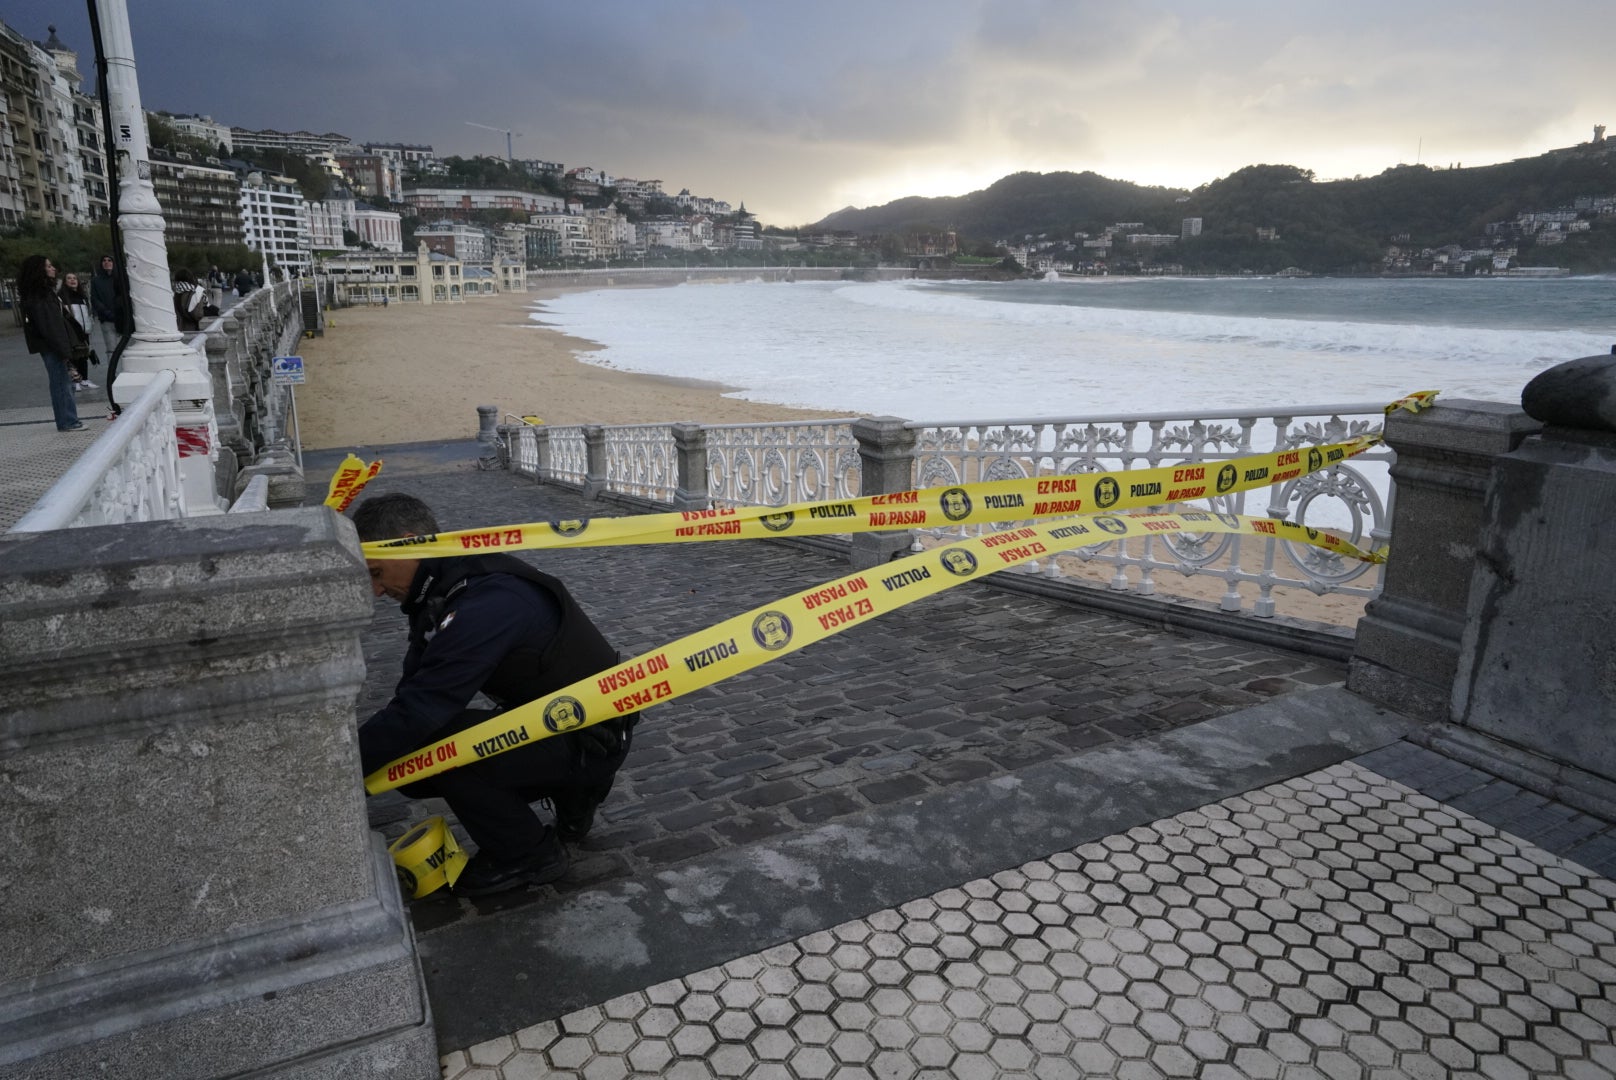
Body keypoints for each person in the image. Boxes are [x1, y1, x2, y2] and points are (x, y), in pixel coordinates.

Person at [353, 492, 638, 897]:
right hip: (569, 725)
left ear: (409, 542)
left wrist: (337, 771)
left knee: (435, 746)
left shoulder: (485, 600)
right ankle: (574, 794)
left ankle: (528, 854)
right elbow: (412, 691)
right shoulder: (443, 587)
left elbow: (424, 709)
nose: (376, 591)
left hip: (593, 739)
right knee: (406, 755)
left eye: (376, 573)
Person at [18, 255, 83, 431]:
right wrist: (64, 351)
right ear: (39, 270)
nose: (53, 268)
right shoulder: (40, 296)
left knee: (63, 382)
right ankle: (68, 421)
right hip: (53, 346)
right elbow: (50, 326)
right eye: (48, 266)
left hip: (53, 345)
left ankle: (68, 419)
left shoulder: (42, 293)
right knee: (61, 383)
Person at [60, 271, 98, 391]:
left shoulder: (83, 297)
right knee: (73, 356)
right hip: (72, 332)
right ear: (65, 282)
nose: (72, 280)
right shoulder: (62, 297)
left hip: (85, 330)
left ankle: (85, 379)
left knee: (84, 356)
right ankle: (75, 381)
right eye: (69, 278)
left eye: (74, 278)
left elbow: (88, 314)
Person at [172, 268, 207, 332]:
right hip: (191, 329)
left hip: (175, 329)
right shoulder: (196, 293)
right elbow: (198, 315)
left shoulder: (172, 294)